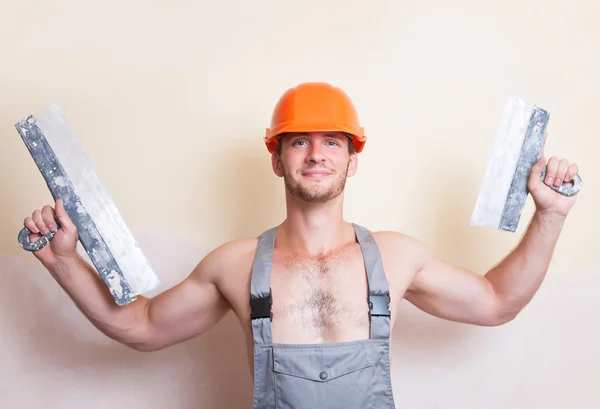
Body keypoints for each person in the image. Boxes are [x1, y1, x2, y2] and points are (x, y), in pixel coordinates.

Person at [22, 82, 580, 408]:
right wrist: (64, 262)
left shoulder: (395, 256)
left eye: (332, 141)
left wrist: (550, 215)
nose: (316, 153)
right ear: (277, 158)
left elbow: (497, 302)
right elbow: (139, 329)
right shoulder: (235, 265)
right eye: (299, 141)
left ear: (352, 159)